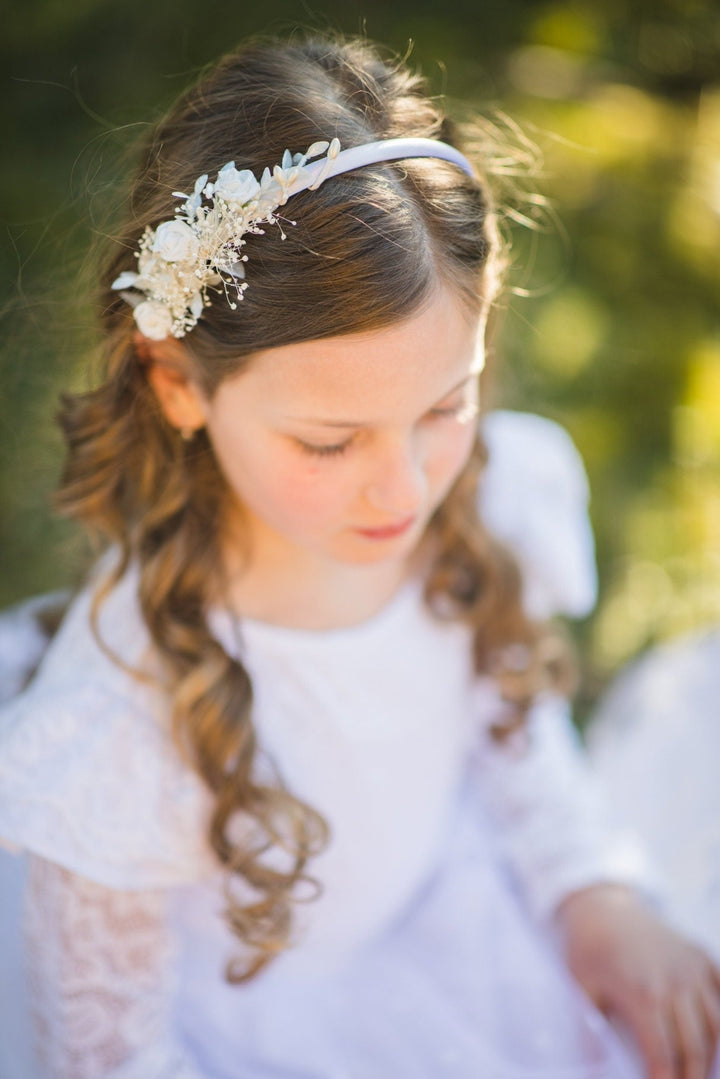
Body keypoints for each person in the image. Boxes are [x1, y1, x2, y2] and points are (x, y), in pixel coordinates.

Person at [0, 30, 718, 1079]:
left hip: (458, 929)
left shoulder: (490, 500)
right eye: (329, 442)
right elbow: (112, 1056)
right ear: (178, 383)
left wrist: (589, 889)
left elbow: (511, 736)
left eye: (445, 405)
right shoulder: (120, 717)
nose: (408, 489)